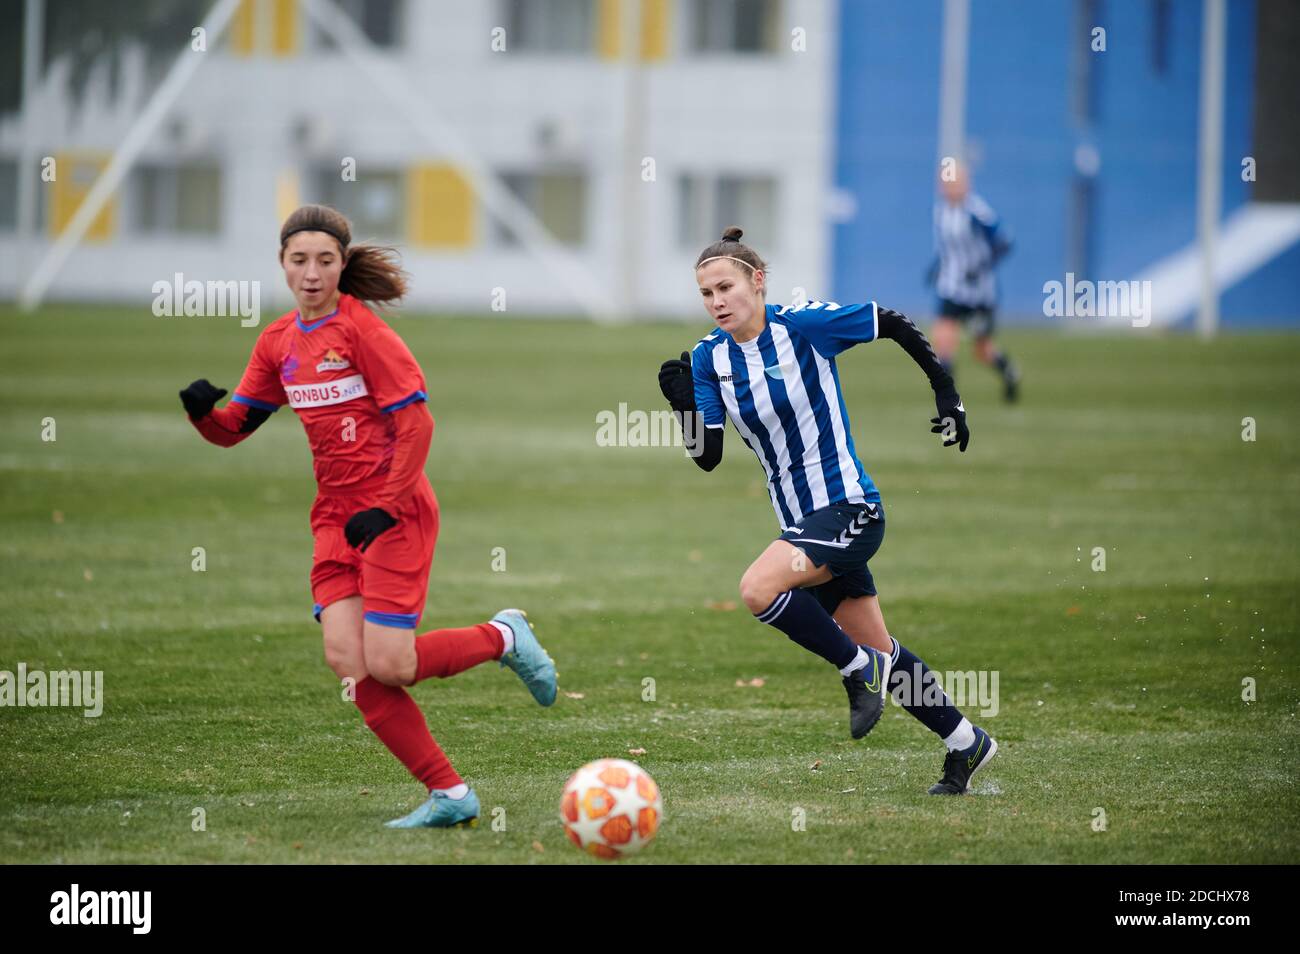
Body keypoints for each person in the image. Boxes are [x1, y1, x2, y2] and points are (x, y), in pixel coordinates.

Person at [179, 204, 557, 828]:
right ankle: (451, 795)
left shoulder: (364, 333)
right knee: (350, 665)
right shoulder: (278, 343)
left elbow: (416, 424)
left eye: (325, 261)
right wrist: (201, 414)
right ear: (282, 264)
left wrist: (385, 504)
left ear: (342, 265)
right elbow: (234, 428)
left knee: (390, 664)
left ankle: (504, 637)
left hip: (395, 511)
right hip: (334, 519)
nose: (311, 273)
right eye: (298, 260)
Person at [658, 226, 997, 795]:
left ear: (757, 281)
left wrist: (947, 393)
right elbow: (708, 457)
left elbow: (888, 322)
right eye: (706, 294)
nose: (717, 302)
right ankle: (966, 743)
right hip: (800, 526)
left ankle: (855, 671)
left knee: (758, 589)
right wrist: (683, 405)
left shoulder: (804, 326)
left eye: (726, 287)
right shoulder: (708, 359)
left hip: (851, 508)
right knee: (884, 650)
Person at [926, 161, 1021, 401]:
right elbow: (949, 248)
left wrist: (979, 268)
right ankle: (949, 398)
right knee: (942, 340)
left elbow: (1005, 242)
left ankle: (1009, 372)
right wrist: (935, 267)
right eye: (946, 183)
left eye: (954, 182)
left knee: (982, 350)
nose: (950, 188)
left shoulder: (976, 212)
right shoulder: (940, 212)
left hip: (980, 293)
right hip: (952, 287)